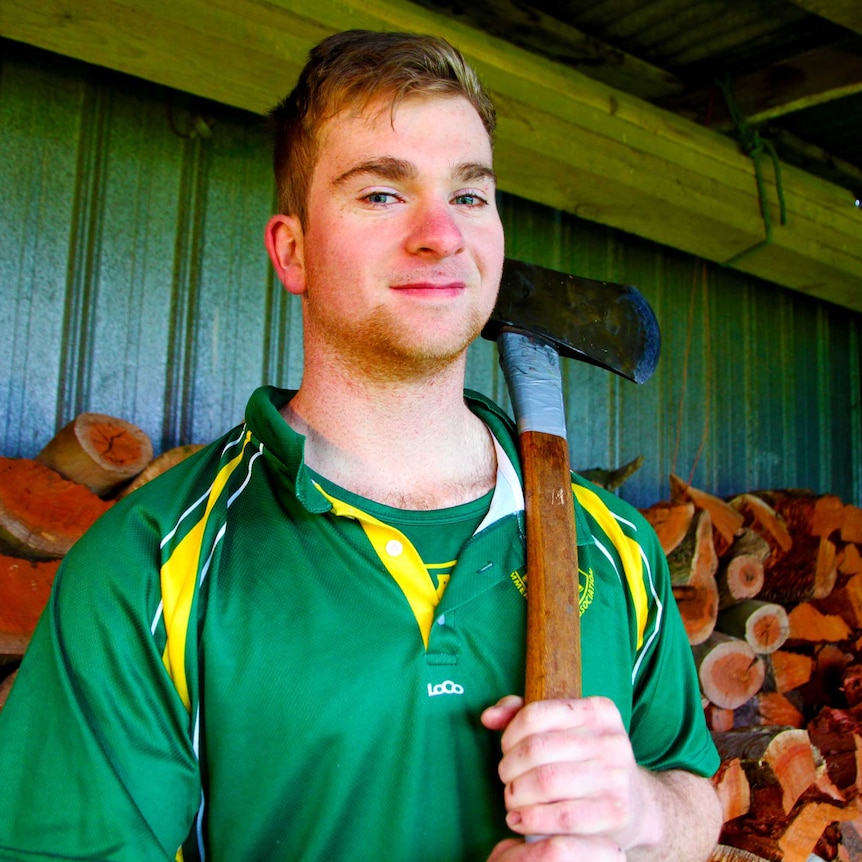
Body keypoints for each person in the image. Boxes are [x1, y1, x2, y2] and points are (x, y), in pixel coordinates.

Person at [0, 29, 721, 861]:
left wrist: (636, 812)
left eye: (470, 195)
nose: (440, 236)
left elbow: (692, 796)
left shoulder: (615, 545)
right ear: (293, 250)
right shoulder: (153, 565)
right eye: (381, 194)